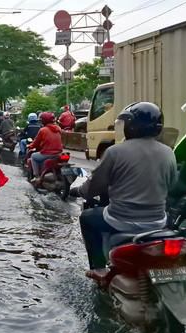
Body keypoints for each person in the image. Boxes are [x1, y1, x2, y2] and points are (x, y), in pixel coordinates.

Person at [71, 102, 177, 277]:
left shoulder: (115, 152)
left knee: (86, 218)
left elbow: (93, 186)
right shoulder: (169, 152)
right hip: (158, 221)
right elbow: (171, 187)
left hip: (121, 218)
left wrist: (79, 191)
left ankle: (98, 269)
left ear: (133, 125)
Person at [26, 111, 63, 184]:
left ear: (44, 120)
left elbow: (35, 143)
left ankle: (36, 177)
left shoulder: (43, 130)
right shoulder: (58, 128)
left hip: (48, 153)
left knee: (33, 156)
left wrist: (29, 146)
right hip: (59, 153)